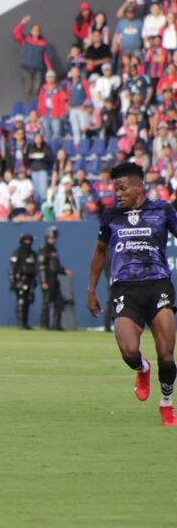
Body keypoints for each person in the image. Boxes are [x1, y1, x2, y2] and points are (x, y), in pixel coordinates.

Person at [87, 161, 177, 426]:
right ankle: (142, 368)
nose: (118, 193)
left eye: (123, 188)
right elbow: (100, 252)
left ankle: (166, 404)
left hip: (158, 284)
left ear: (139, 186)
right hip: (125, 288)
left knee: (167, 355)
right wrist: (91, 289)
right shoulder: (110, 216)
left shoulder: (162, 210)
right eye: (115, 189)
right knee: (128, 351)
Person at [37, 226, 73, 330]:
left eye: (55, 237)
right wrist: (43, 281)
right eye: (52, 237)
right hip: (47, 279)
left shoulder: (54, 249)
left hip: (54, 279)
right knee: (46, 303)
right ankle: (44, 325)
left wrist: (64, 271)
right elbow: (42, 267)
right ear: (47, 237)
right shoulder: (44, 249)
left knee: (59, 302)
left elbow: (55, 265)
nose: (54, 239)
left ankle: (56, 325)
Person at [13, 15, 53, 101]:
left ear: (39, 32)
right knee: (28, 88)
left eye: (37, 30)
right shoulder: (25, 40)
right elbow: (16, 33)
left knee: (37, 89)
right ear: (31, 31)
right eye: (34, 30)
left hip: (38, 69)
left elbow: (45, 57)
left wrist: (49, 68)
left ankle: (36, 107)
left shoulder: (43, 43)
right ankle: (28, 108)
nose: (36, 32)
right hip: (26, 68)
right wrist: (23, 22)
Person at [9, 234, 37, 330]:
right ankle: (20, 323)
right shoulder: (17, 253)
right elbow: (12, 269)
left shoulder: (33, 254)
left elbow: (35, 269)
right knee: (21, 301)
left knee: (28, 302)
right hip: (20, 280)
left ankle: (25, 323)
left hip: (30, 281)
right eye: (26, 240)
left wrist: (34, 282)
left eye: (30, 240)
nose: (28, 242)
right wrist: (13, 282)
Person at [38, 70, 66, 146]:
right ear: (46, 78)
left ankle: (57, 148)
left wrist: (62, 112)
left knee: (56, 133)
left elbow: (62, 101)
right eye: (48, 77)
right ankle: (49, 149)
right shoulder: (43, 88)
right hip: (45, 114)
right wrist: (40, 112)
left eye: (51, 77)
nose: (50, 79)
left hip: (55, 114)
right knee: (47, 133)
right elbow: (40, 100)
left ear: (54, 78)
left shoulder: (58, 88)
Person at [24, 133, 54, 202]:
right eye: (36, 138)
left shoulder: (46, 147)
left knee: (43, 190)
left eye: (39, 138)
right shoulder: (30, 147)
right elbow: (26, 158)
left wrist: (40, 157)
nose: (38, 140)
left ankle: (43, 205)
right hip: (33, 170)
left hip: (42, 169)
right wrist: (28, 167)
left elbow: (49, 158)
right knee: (36, 191)